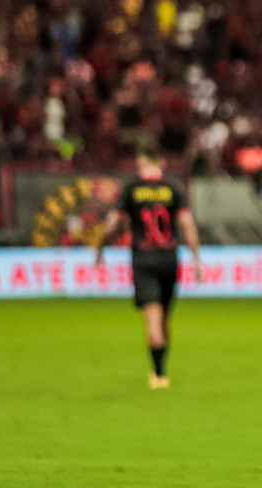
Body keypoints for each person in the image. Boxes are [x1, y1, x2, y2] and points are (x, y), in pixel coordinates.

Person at [96, 140, 204, 389]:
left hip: (143, 260)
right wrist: (197, 260)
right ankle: (161, 367)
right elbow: (187, 223)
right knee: (165, 316)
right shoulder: (172, 187)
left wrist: (100, 248)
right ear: (162, 162)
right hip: (169, 259)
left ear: (140, 161)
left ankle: (158, 374)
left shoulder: (132, 188)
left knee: (153, 318)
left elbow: (112, 223)